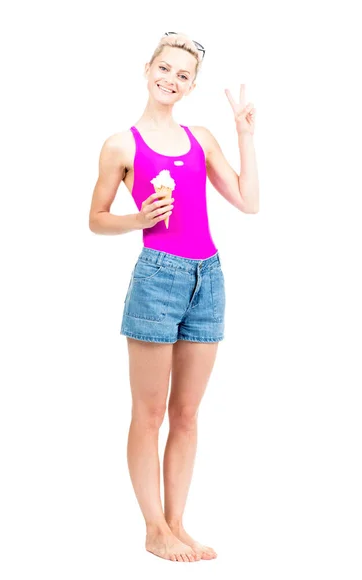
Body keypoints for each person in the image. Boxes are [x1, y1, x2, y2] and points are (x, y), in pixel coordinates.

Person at [89, 32, 259, 563]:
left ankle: (178, 524)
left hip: (208, 278)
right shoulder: (121, 144)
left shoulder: (201, 138)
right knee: (149, 411)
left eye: (183, 75)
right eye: (165, 68)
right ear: (148, 69)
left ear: (192, 85)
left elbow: (248, 203)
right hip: (157, 279)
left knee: (186, 414)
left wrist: (243, 132)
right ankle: (153, 527)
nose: (171, 80)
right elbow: (95, 219)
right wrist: (139, 219)